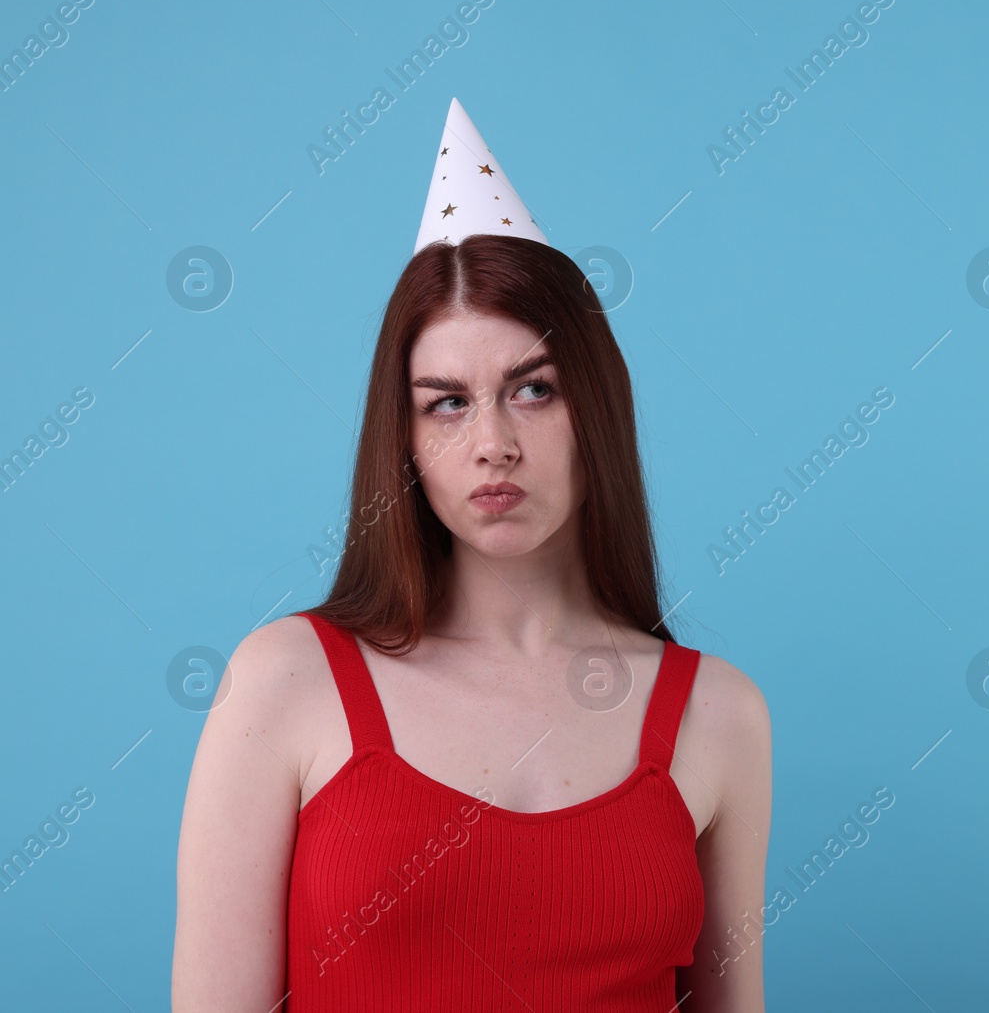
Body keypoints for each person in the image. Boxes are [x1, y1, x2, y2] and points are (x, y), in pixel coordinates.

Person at [171, 99, 771, 1012]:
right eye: (447, 402)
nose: (492, 442)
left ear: (593, 411)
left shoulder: (719, 714)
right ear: (402, 437)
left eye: (533, 389)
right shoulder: (285, 684)